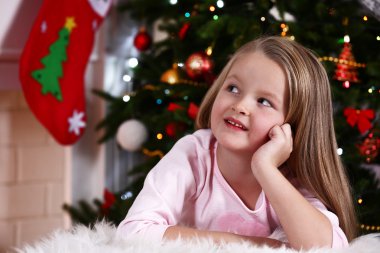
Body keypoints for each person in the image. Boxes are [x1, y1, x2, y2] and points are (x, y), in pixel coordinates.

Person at [116, 36, 357, 250]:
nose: (240, 106)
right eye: (233, 88)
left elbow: (328, 247)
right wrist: (257, 246)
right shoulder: (193, 154)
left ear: (293, 126)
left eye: (264, 101)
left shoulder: (294, 180)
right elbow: (133, 232)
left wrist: (265, 168)